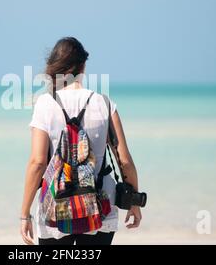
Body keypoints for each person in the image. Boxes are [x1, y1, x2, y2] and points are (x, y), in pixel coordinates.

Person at [20, 37, 141, 245]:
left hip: (56, 207)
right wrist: (135, 202)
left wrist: (25, 214)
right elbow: (125, 161)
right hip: (100, 206)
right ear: (83, 66)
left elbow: (38, 163)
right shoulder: (104, 103)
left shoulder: (45, 103)